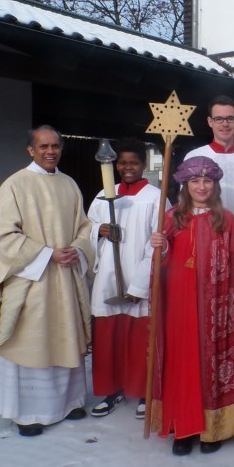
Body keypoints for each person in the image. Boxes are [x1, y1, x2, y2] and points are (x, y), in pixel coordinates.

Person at [0, 125, 93, 437]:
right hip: (32, 281)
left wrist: (77, 249)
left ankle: (69, 403)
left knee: (64, 338)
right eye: (43, 146)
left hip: (65, 280)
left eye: (55, 146)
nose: (50, 151)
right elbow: (4, 236)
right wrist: (46, 255)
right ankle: (28, 414)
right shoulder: (15, 185)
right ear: (31, 150)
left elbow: (85, 227)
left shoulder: (69, 185)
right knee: (31, 341)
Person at [148, 156, 234, 456]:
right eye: (195, 181)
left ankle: (212, 428)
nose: (201, 186)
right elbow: (160, 267)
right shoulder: (171, 218)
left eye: (207, 181)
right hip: (179, 304)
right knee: (182, 362)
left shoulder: (225, 218)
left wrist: (228, 306)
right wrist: (160, 247)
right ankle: (182, 425)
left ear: (215, 185)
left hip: (214, 303)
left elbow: (231, 266)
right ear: (185, 185)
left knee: (210, 361)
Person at [87, 138, 167, 419]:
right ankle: (112, 389)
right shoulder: (102, 196)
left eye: (134, 162)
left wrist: (139, 284)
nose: (128, 167)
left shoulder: (156, 197)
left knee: (140, 335)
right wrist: (100, 230)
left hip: (139, 275)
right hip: (109, 273)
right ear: (115, 165)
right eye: (122, 163)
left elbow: (158, 243)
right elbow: (90, 226)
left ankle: (143, 391)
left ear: (143, 165)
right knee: (109, 334)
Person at [183, 95, 234, 214]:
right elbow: (185, 200)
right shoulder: (193, 157)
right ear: (210, 122)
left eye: (230, 118)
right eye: (218, 119)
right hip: (205, 228)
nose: (225, 124)